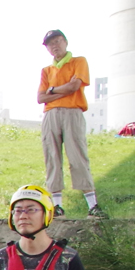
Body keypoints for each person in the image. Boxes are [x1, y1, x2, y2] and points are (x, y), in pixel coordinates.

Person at [37, 30, 105, 219]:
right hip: (51, 115)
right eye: (51, 44)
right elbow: (40, 97)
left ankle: (92, 205)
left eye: (58, 41)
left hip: (72, 112)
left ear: (65, 42)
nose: (55, 46)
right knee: (52, 158)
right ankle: (57, 205)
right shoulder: (46, 70)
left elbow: (75, 86)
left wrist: (52, 91)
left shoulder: (78, 61)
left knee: (78, 157)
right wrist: (61, 91)